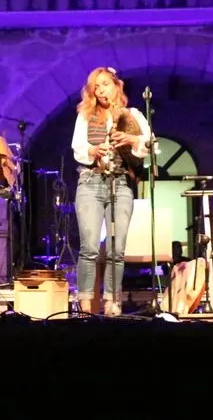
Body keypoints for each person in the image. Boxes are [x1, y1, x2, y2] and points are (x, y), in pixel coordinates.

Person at [71, 67, 153, 316]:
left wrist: (130, 140)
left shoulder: (133, 115)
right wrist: (92, 152)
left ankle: (112, 301)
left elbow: (148, 146)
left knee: (117, 249)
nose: (100, 90)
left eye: (105, 84)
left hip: (121, 183)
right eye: (96, 86)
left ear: (118, 85)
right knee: (90, 247)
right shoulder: (86, 115)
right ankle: (85, 303)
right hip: (91, 183)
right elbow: (77, 147)